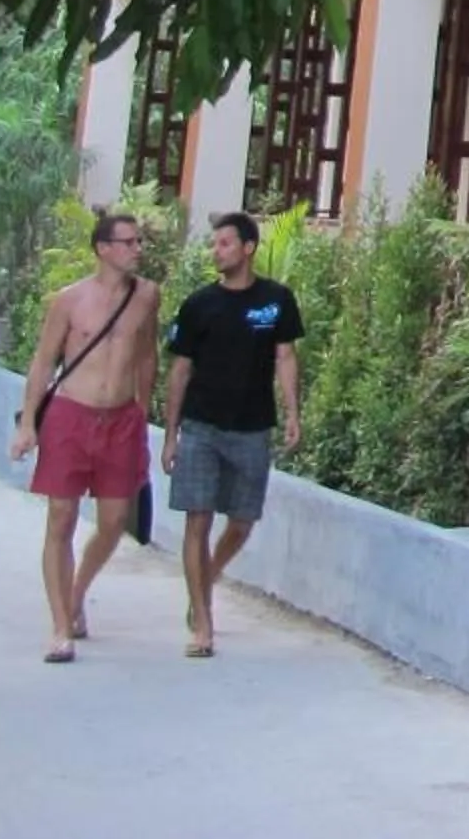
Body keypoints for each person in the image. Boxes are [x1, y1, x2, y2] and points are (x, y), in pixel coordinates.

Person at [8, 208, 160, 663]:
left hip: (121, 419)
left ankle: (77, 592)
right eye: (129, 242)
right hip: (71, 415)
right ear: (104, 249)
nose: (137, 249)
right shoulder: (69, 301)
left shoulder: (147, 296)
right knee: (61, 518)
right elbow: (43, 362)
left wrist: (142, 412)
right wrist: (28, 423)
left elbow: (147, 355)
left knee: (114, 522)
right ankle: (60, 626)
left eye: (138, 241)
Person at [161, 211, 304, 658]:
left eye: (225, 243)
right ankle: (202, 623)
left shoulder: (276, 300)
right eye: (214, 243)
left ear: (248, 248)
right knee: (197, 518)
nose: (217, 250)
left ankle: (209, 573)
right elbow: (179, 370)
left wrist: (293, 411)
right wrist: (170, 435)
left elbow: (285, 357)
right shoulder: (199, 304)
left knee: (242, 522)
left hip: (252, 426)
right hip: (201, 426)